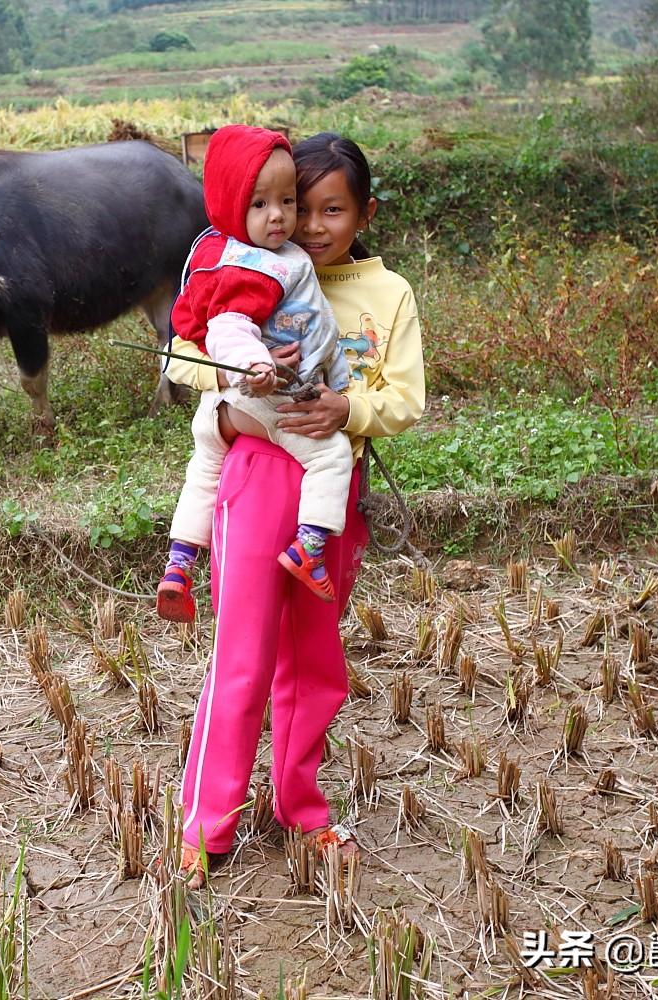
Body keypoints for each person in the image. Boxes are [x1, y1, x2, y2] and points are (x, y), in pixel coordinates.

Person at [162, 132, 426, 887]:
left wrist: (348, 405)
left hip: (331, 490)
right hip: (254, 472)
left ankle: (300, 808)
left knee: (314, 655)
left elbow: (403, 399)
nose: (308, 224)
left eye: (330, 209)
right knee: (241, 651)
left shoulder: (388, 294)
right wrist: (234, 387)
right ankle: (207, 821)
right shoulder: (250, 264)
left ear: (364, 213)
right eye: (294, 206)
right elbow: (182, 354)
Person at [157, 126, 355, 624]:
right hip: (261, 396)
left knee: (203, 473)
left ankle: (180, 563)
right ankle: (309, 547)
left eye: (287, 200)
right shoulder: (259, 267)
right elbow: (228, 325)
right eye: (260, 203)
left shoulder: (215, 252)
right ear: (228, 203)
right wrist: (256, 367)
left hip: (217, 408)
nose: (280, 217)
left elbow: (197, 324)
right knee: (331, 457)